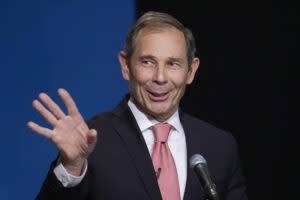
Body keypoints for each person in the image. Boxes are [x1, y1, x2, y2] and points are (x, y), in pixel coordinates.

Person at [28, 11, 248, 200]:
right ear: (125, 66)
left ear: (191, 71)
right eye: (147, 62)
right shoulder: (89, 142)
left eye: (173, 64)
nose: (160, 77)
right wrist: (72, 167)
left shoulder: (220, 146)